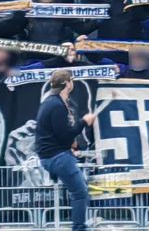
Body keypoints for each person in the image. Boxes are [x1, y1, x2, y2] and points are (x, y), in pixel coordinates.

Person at [35, 69, 94, 231]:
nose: (72, 83)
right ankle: (79, 228)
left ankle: (79, 226)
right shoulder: (56, 105)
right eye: (72, 81)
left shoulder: (50, 102)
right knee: (80, 193)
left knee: (80, 189)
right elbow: (65, 135)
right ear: (67, 83)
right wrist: (83, 121)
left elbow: (56, 135)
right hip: (57, 157)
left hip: (55, 156)